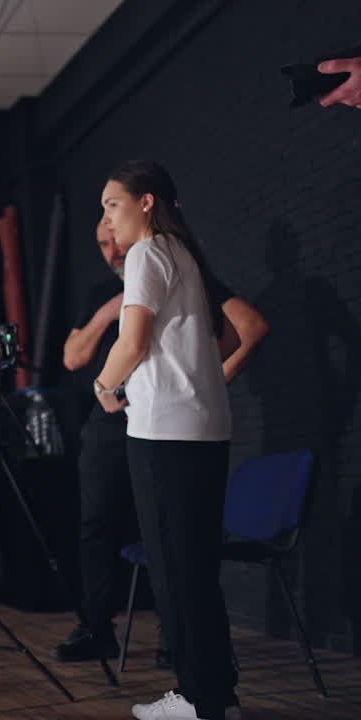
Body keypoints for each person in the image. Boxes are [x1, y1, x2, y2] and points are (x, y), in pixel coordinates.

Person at [55, 223, 268, 668]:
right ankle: (97, 627)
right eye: (101, 243)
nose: (110, 249)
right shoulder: (101, 291)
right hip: (110, 424)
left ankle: (179, 641)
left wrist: (213, 381)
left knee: (168, 531)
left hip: (161, 420)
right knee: (96, 525)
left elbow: (250, 326)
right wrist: (108, 313)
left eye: (115, 232)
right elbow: (73, 357)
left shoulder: (171, 270)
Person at [93, 161, 242, 720]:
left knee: (176, 571)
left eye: (112, 205)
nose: (107, 219)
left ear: (147, 202)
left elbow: (130, 343)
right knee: (197, 569)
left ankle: (200, 701)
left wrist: (105, 386)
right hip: (205, 432)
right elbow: (225, 336)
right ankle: (215, 694)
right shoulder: (187, 259)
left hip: (163, 435)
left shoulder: (146, 255)